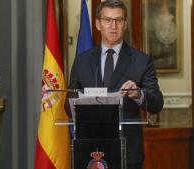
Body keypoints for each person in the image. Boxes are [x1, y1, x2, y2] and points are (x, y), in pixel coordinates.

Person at [68, 0, 163, 168]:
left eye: (118, 20)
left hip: (127, 152)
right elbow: (68, 105)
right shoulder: (82, 61)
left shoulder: (141, 61)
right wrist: (79, 103)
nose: (113, 26)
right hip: (90, 150)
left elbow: (156, 102)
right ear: (98, 24)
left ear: (125, 24)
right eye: (107, 20)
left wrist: (138, 94)